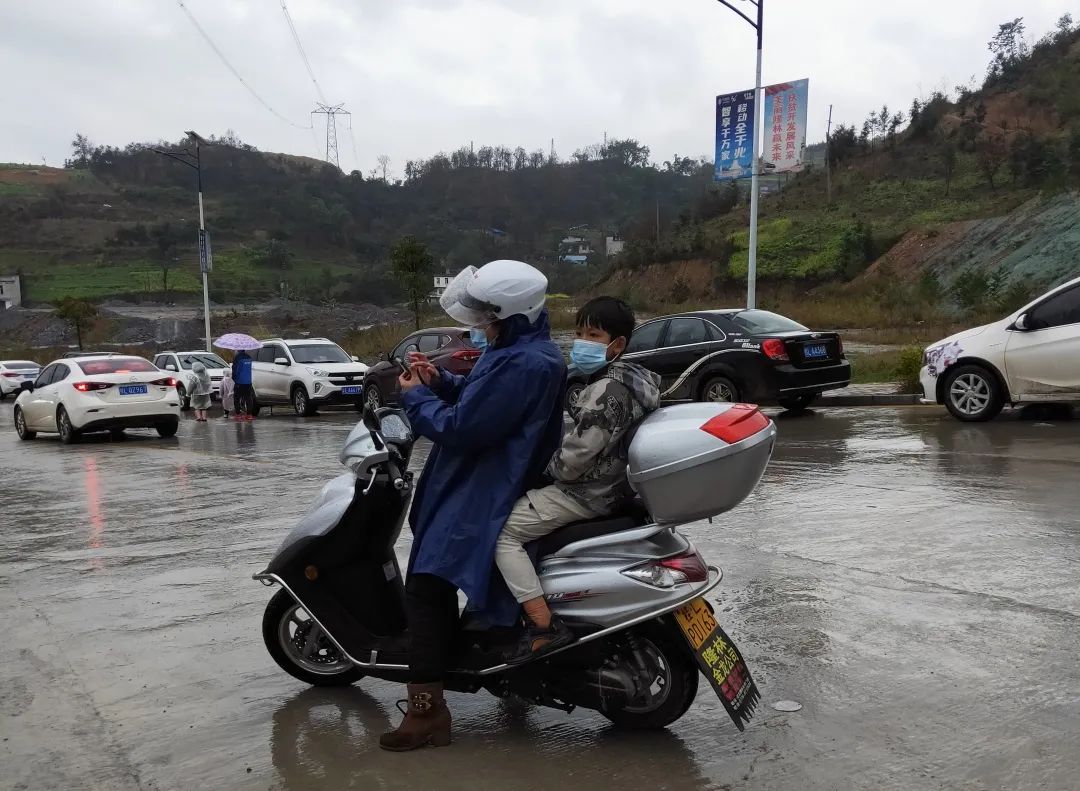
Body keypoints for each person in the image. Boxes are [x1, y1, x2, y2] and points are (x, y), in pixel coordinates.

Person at [379, 260, 565, 752]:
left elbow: (464, 428)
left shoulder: (525, 361)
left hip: (481, 488)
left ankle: (426, 714)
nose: (481, 322)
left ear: (510, 313)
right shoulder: (518, 350)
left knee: (425, 587)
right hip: (474, 480)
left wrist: (416, 399)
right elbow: (478, 399)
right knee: (433, 582)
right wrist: (438, 381)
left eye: (488, 314)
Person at [495, 296, 660, 664]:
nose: (583, 341)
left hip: (586, 493)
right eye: (580, 332)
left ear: (617, 345)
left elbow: (574, 460)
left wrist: (539, 470)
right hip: (617, 489)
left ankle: (542, 626)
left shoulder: (606, 391)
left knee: (503, 534)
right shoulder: (636, 381)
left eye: (594, 334)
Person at [232, 349, 254, 421]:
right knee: (248, 398)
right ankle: (249, 414)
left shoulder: (237, 357)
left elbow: (235, 369)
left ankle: (238, 414)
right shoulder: (249, 357)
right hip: (248, 381)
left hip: (239, 381)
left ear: (238, 350)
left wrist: (234, 378)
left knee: (237, 398)